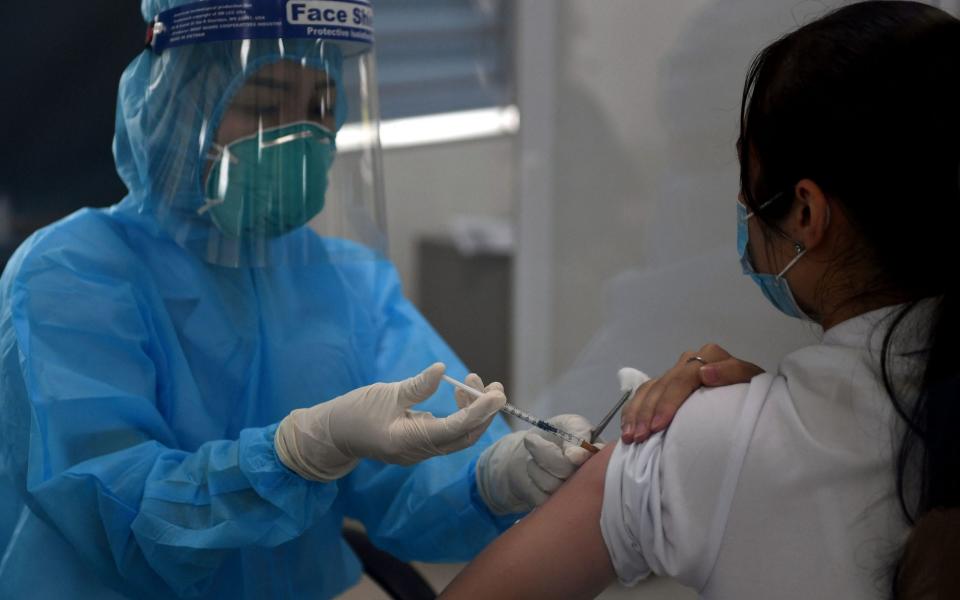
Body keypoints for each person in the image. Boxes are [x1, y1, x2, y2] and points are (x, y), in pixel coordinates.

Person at [0, 1, 595, 597]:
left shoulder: (345, 280)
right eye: (263, 104)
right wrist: (291, 456)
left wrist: (497, 476)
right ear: (180, 108)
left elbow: (411, 476)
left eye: (321, 109)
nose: (299, 135)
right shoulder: (70, 274)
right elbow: (118, 517)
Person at [441, 2, 960, 598]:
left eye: (745, 170)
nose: (738, 200)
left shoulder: (699, 445)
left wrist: (732, 433)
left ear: (808, 213)